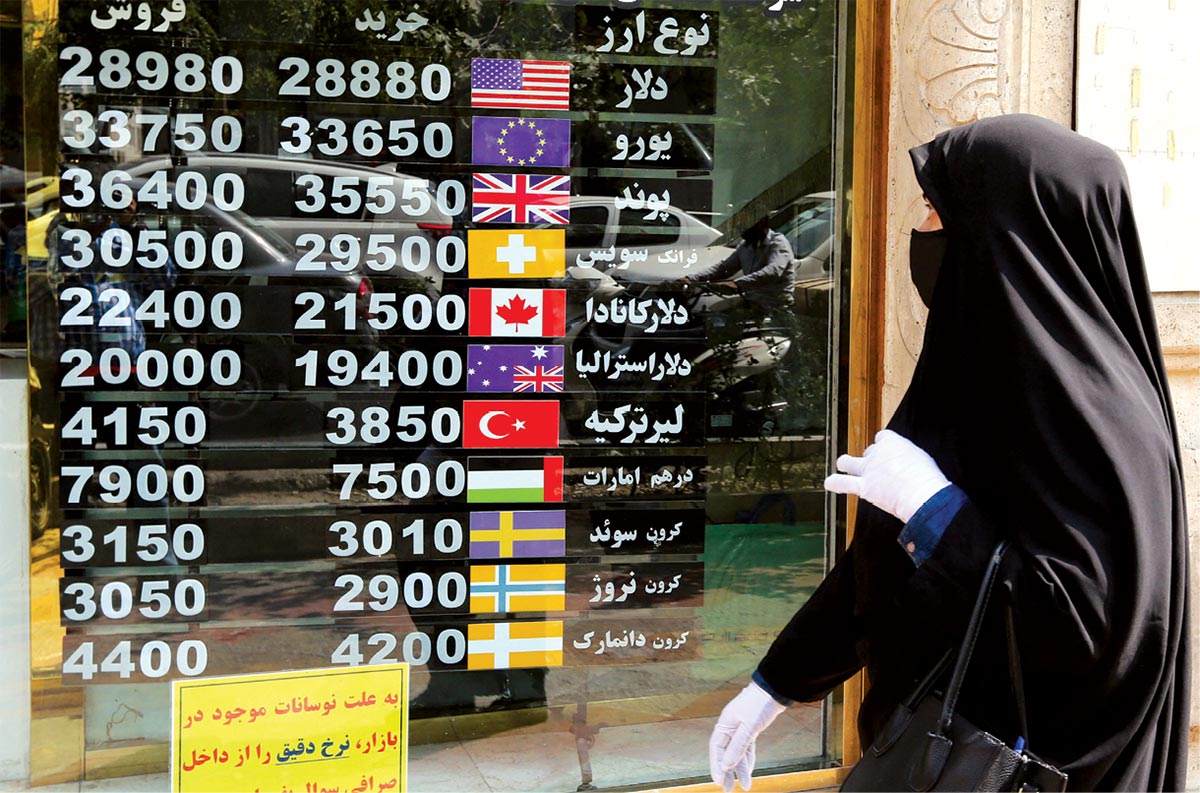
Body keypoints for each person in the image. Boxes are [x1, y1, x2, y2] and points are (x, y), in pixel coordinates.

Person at [707, 114, 1189, 792]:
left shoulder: (1096, 414)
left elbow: (1086, 626)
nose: (922, 230)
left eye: (936, 209)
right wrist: (777, 681)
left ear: (1007, 232)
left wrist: (936, 508)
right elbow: (885, 560)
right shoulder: (974, 371)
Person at [682, 214, 795, 310]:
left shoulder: (777, 243)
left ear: (760, 223)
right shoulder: (745, 246)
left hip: (776, 306)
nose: (739, 228)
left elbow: (773, 271)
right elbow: (724, 268)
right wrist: (692, 278)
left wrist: (737, 285)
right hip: (753, 302)